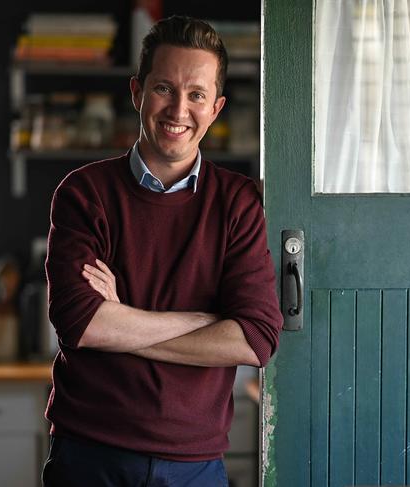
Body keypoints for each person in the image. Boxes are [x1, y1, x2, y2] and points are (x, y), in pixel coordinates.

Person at [42, 15, 283, 487]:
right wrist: (208, 318)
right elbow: (82, 324)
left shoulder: (239, 203)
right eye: (164, 89)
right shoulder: (84, 193)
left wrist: (123, 316)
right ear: (137, 93)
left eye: (196, 94)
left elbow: (255, 340)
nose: (179, 109)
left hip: (195, 465)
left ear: (215, 108)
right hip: (90, 457)